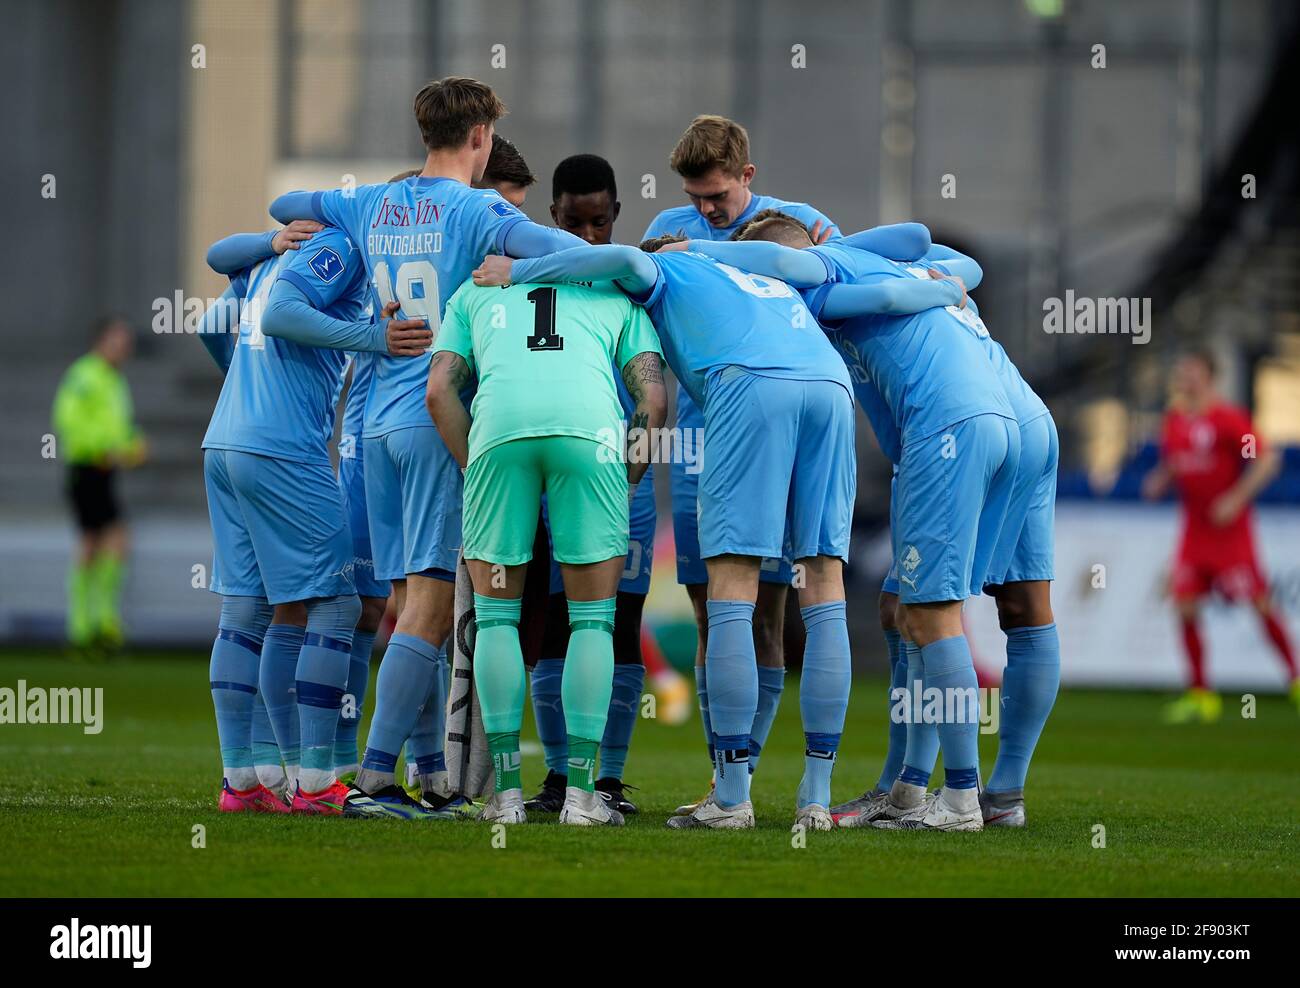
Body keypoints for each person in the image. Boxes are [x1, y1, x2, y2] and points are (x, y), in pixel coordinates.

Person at [474, 229, 888, 832]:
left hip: (750, 386)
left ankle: (731, 796)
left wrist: (521, 269)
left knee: (731, 590)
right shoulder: (765, 281)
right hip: (828, 387)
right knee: (823, 585)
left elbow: (620, 260)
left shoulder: (669, 270)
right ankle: (816, 796)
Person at [267, 77, 590, 816]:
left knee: (407, 603)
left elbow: (289, 207)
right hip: (435, 420)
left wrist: (284, 232)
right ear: (480, 138)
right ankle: (379, 781)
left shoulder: (369, 203)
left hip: (371, 427)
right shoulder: (480, 210)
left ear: (425, 134)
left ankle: (428, 774)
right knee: (434, 609)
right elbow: (570, 254)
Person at [678, 217, 1022, 832]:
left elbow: (890, 282)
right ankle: (902, 786)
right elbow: (921, 242)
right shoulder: (866, 266)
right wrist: (946, 280)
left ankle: (964, 797)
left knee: (928, 612)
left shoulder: (817, 285)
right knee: (896, 606)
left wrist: (699, 249)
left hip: (945, 428)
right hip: (1002, 419)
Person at [641, 114, 839, 814]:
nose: (704, 210)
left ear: (748, 178)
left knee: (770, 613)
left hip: (777, 435)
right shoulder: (669, 227)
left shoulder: (801, 225)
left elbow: (838, 292)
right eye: (694, 197)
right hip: (699, 446)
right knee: (711, 611)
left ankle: (741, 780)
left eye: (717, 197)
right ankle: (727, 779)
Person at [425, 272, 666, 825]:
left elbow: (439, 392)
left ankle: (506, 798)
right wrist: (625, 479)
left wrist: (477, 464)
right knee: (593, 620)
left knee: (496, 618)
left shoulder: (476, 288)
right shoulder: (614, 291)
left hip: (498, 437)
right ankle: (582, 797)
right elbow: (652, 398)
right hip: (590, 440)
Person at [197, 217, 419, 814]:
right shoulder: (342, 245)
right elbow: (282, 318)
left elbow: (209, 321)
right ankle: (318, 784)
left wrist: (247, 385)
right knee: (339, 603)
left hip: (224, 442)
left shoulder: (269, 259)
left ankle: (246, 781)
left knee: (247, 607)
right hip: (283, 448)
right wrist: (374, 337)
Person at [1142, 349, 1298, 722]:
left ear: (1210, 377)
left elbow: (1268, 459)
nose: (1185, 378)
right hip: (1194, 534)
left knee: (1258, 603)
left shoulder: (1228, 419)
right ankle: (1201, 694)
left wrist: (1235, 498)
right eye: (1182, 371)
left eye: (1192, 371)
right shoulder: (1176, 421)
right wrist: (1160, 480)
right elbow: (1175, 461)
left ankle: (1295, 678)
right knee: (1185, 605)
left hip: (1230, 535)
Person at [52, 317, 146, 654]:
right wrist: (108, 448)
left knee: (100, 542)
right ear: (101, 340)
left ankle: (92, 624)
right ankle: (89, 624)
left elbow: (117, 425)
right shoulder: (85, 375)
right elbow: (68, 419)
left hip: (103, 470)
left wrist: (132, 444)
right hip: (87, 467)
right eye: (118, 339)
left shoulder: (112, 379)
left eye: (126, 340)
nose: (123, 346)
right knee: (100, 541)